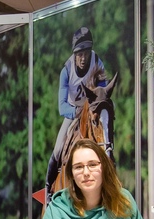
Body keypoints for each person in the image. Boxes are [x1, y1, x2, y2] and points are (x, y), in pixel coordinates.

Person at [41, 138, 146, 219]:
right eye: (78, 167)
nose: (86, 172)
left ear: (104, 167)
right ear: (72, 174)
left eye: (92, 165)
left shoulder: (124, 200)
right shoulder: (56, 210)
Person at [45, 26, 115, 192]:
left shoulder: (97, 62)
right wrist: (77, 112)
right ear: (75, 54)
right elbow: (62, 106)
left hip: (92, 112)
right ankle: (48, 189)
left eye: (86, 53)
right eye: (80, 54)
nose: (83, 58)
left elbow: (102, 94)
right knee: (57, 150)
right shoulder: (66, 71)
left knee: (106, 140)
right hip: (72, 113)